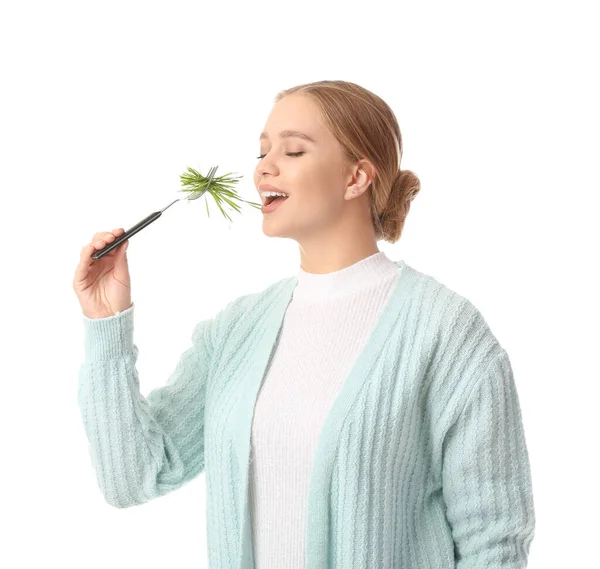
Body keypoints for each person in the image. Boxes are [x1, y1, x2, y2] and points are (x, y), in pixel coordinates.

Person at [73, 80, 535, 569]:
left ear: (356, 178)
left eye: (293, 150)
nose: (262, 168)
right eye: (261, 151)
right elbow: (134, 476)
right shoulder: (236, 330)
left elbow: (495, 541)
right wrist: (107, 325)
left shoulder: (446, 333)